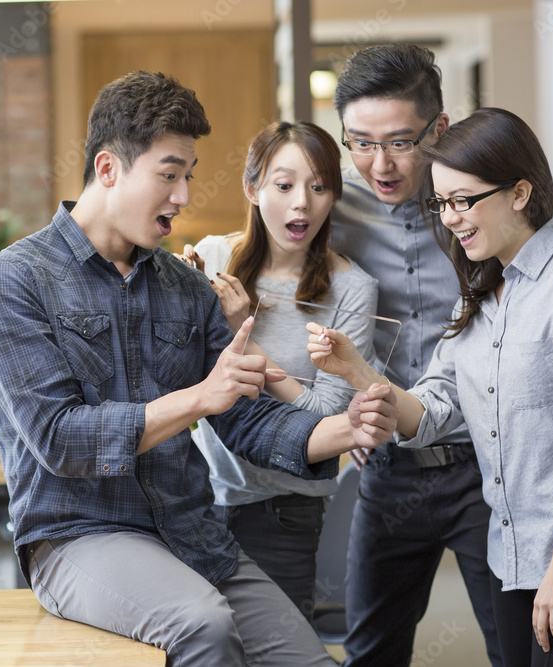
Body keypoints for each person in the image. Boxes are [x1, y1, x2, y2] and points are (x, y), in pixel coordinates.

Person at [0, 70, 398, 666]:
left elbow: (250, 420)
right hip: (78, 538)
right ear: (109, 168)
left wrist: (349, 427)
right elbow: (60, 440)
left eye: (188, 176)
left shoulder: (184, 288)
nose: (184, 196)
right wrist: (198, 398)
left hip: (192, 535)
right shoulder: (12, 282)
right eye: (169, 174)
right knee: (203, 626)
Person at [308, 106, 553, 667]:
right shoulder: (479, 294)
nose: (450, 218)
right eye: (442, 204)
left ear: (520, 193)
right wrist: (356, 372)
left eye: (464, 201)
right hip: (509, 554)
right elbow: (434, 410)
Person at [178, 120, 379, 620]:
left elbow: (326, 417)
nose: (302, 205)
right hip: (197, 497)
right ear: (252, 188)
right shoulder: (212, 258)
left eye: (318, 187)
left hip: (286, 509)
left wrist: (241, 335)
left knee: (277, 649)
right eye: (284, 185)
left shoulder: (351, 290)